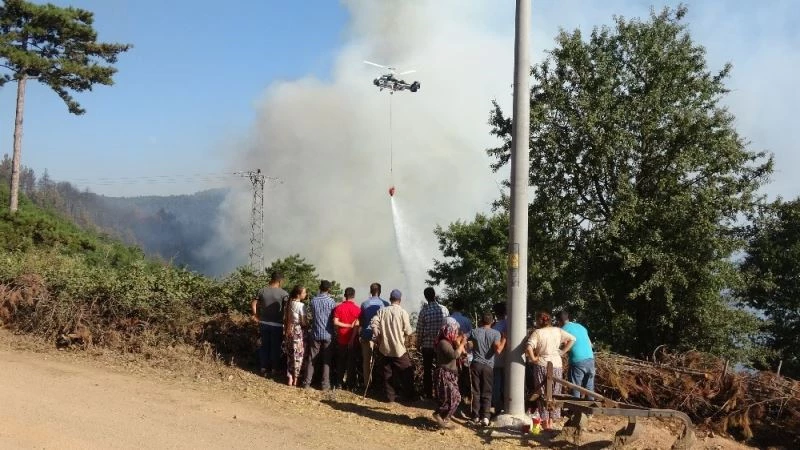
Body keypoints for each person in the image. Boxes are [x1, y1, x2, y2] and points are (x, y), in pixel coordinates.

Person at [525, 311, 576, 430]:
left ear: (538, 321)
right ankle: (551, 422)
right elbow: (573, 339)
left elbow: (528, 347)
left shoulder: (537, 332)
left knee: (542, 393)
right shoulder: (558, 330)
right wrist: (563, 351)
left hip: (542, 364)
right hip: (556, 364)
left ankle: (544, 422)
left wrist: (533, 359)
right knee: (555, 394)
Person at [370, 289, 416, 403]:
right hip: (398, 348)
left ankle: (389, 397)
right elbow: (408, 331)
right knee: (406, 372)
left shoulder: (382, 311)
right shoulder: (402, 312)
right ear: (399, 300)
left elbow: (374, 323)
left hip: (384, 348)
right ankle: (409, 396)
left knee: (387, 372)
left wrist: (378, 337)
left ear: (390, 299)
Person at [469, 312, 506, 426]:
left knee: (475, 391)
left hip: (475, 364)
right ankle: (485, 416)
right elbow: (498, 350)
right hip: (488, 366)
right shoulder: (496, 333)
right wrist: (504, 339)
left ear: (481, 321)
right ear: (492, 322)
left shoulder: (474, 331)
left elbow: (465, 341)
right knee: (487, 391)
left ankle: (475, 416)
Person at [251, 271, 289, 377]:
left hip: (263, 323)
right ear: (280, 281)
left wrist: (255, 315)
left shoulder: (262, 290)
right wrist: (287, 323)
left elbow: (254, 303)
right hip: (277, 324)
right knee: (275, 347)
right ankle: (274, 369)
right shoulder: (284, 293)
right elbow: (287, 310)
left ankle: (263, 368)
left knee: (264, 346)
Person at [432, 317, 467, 429]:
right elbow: (454, 355)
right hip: (444, 374)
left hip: (451, 374)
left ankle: (444, 419)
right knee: (452, 397)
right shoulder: (443, 342)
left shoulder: (450, 342)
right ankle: (438, 415)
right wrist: (462, 345)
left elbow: (459, 353)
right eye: (454, 330)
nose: (455, 332)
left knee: (454, 398)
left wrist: (461, 343)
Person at [302, 280, 336, 390]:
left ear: (319, 288)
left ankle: (307, 383)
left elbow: (312, 315)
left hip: (315, 333)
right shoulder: (332, 302)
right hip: (328, 334)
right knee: (327, 360)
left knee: (312, 359)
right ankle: (325, 385)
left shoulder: (313, 301)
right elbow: (333, 318)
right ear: (329, 289)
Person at [416, 287, 449, 399]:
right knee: (441, 369)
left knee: (427, 370)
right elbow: (448, 327)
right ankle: (441, 393)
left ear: (426, 297)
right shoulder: (444, 309)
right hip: (441, 346)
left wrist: (417, 345)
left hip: (427, 346)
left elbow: (419, 331)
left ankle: (429, 394)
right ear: (434, 295)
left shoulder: (424, 312)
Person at [557, 311, 595, 399]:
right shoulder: (581, 327)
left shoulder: (563, 329)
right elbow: (590, 344)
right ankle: (591, 411)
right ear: (568, 318)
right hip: (590, 359)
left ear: (559, 321)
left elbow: (558, 344)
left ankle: (575, 411)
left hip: (577, 361)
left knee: (575, 387)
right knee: (589, 388)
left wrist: (561, 352)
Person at [359, 282, 388, 390]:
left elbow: (361, 321)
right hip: (380, 337)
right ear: (379, 291)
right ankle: (380, 384)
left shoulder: (364, 304)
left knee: (366, 361)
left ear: (370, 291)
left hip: (366, 335)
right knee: (381, 361)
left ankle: (367, 385)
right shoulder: (385, 304)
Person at [332, 287, 360, 390]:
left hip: (341, 339)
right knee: (351, 363)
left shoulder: (338, 308)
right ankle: (350, 385)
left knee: (341, 361)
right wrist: (352, 337)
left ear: (345, 295)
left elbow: (335, 322)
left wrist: (345, 326)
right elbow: (356, 326)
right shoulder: (358, 309)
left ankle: (339, 383)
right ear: (354, 295)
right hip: (353, 340)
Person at [449, 298, 473, 407]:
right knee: (464, 375)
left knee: (453, 375)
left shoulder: (448, 319)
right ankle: (463, 397)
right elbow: (470, 336)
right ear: (462, 308)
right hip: (464, 352)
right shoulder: (467, 320)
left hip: (450, 351)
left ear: (453, 307)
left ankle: (453, 397)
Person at [282, 285, 308, 386]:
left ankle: (290, 377)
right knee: (299, 355)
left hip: (289, 330)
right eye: (304, 293)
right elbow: (304, 322)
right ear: (298, 294)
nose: (305, 294)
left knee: (290, 354)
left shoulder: (288, 304)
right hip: (298, 331)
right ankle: (296, 378)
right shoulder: (301, 306)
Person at [491, 302, 508, 415]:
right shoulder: (512, 323)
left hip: (497, 360)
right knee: (506, 384)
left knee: (497, 384)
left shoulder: (497, 326)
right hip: (510, 360)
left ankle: (497, 407)